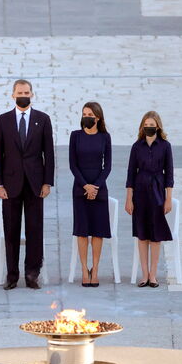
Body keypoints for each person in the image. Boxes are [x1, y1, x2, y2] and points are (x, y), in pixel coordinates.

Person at [0, 80, 55, 290]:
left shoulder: (43, 120)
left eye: (27, 92)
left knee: (35, 229)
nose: (23, 95)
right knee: (11, 230)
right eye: (20, 92)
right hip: (10, 185)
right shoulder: (2, 121)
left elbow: (49, 153)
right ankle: (12, 275)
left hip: (35, 184)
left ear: (32, 94)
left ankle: (32, 274)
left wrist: (47, 182)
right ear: (12, 95)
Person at [125, 111, 174, 288]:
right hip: (140, 191)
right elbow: (130, 174)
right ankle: (144, 274)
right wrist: (129, 198)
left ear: (158, 126)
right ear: (142, 127)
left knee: (155, 235)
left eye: (152, 125)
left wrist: (168, 199)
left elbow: (169, 174)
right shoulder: (136, 147)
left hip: (158, 190)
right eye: (146, 125)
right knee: (142, 234)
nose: (149, 128)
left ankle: (153, 274)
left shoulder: (165, 146)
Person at [69, 102, 112, 287]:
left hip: (99, 188)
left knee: (97, 231)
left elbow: (107, 166)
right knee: (82, 231)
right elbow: (73, 164)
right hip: (80, 188)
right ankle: (83, 269)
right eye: (84, 113)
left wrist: (96, 186)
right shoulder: (75, 136)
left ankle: (95, 269)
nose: (86, 116)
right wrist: (86, 186)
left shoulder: (105, 137)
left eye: (90, 114)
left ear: (98, 117)